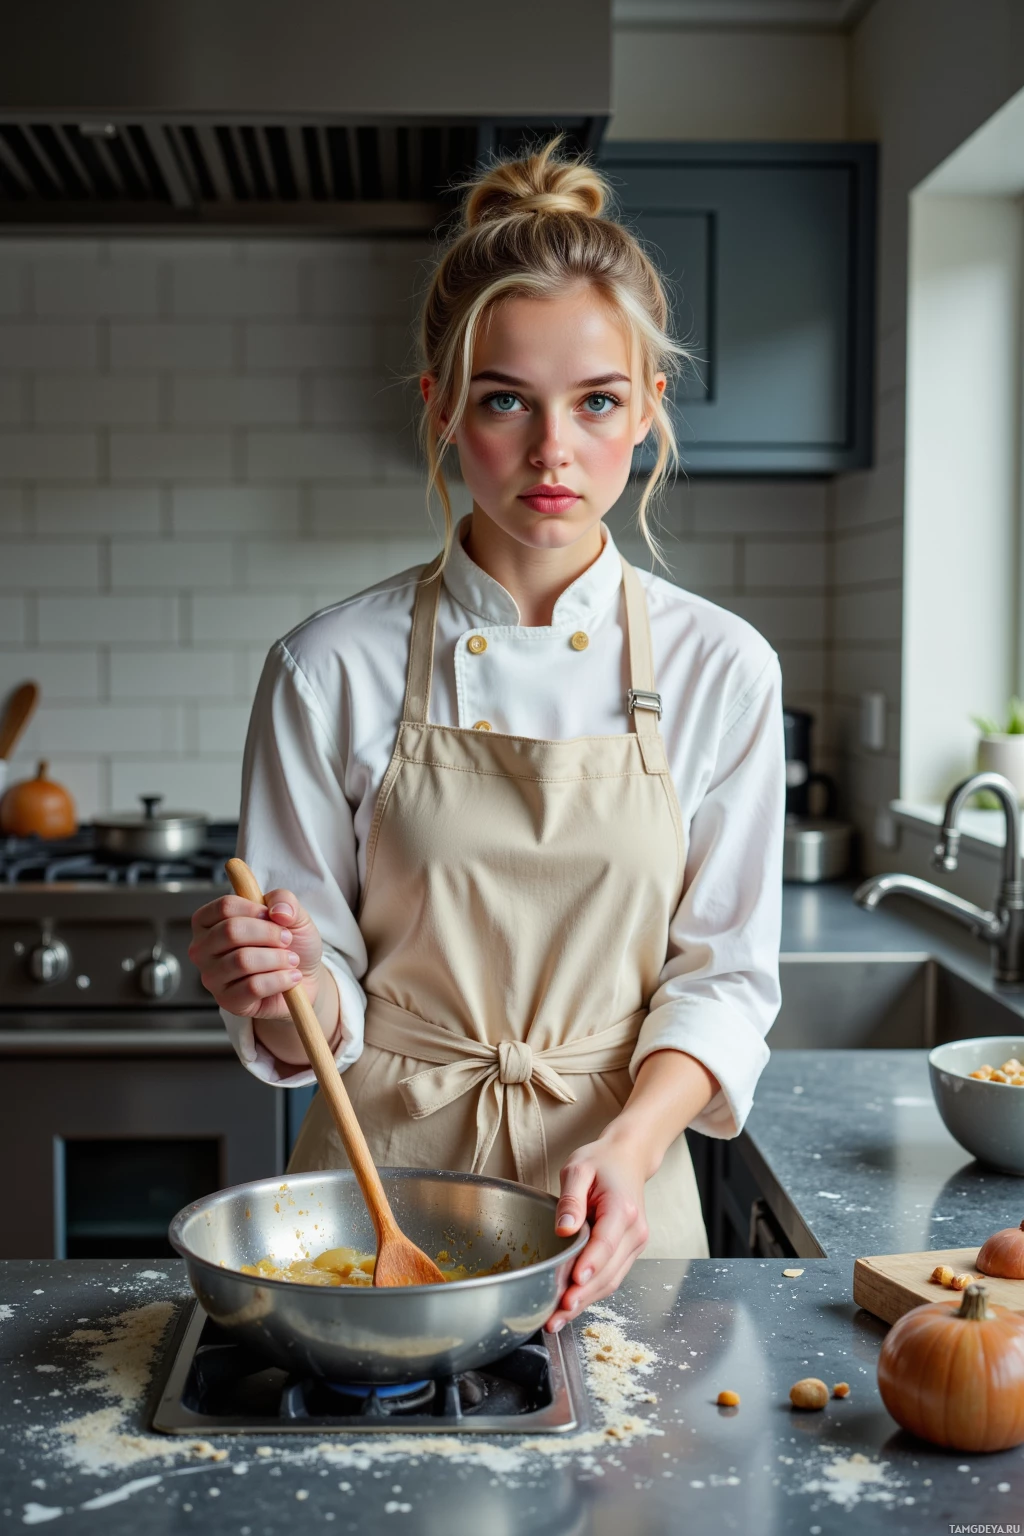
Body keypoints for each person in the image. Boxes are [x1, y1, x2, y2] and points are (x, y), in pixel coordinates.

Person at [189, 136, 784, 1334]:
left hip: (614, 1203)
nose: (552, 449)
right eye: (507, 400)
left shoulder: (724, 668)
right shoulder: (327, 668)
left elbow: (721, 981)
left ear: (649, 409)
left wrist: (632, 1141)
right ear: (445, 409)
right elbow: (318, 989)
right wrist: (271, 984)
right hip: (378, 1202)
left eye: (597, 400)